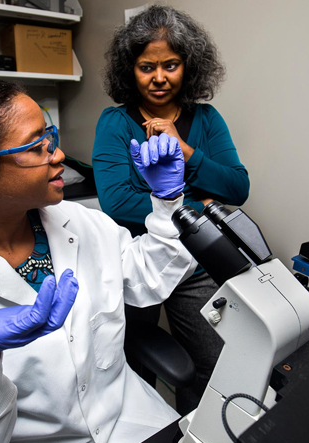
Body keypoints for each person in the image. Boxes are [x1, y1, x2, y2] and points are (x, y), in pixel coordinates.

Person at [0, 77, 197, 443]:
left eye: (51, 136)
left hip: (133, 422)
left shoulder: (83, 222)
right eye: (36, 146)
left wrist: (168, 198)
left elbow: (147, 279)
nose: (58, 155)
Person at [92, 5, 250, 415]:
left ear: (189, 66)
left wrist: (186, 152)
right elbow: (116, 202)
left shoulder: (207, 120)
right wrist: (202, 203)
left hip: (195, 265)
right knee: (131, 363)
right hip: (135, 261)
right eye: (147, 67)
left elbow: (238, 187)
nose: (159, 78)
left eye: (171, 65)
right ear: (130, 70)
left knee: (212, 365)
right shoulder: (115, 123)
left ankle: (194, 432)